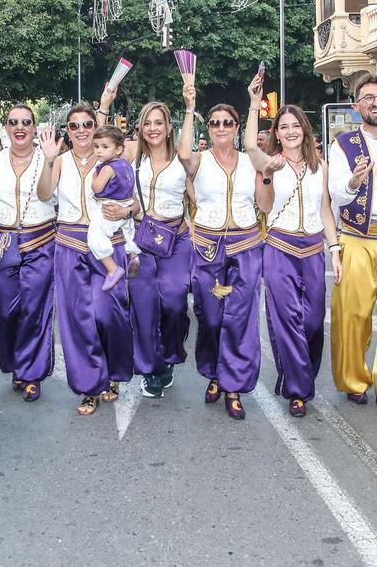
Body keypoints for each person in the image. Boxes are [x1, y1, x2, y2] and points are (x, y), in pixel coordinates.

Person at [244, 78, 341, 417]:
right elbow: (266, 207)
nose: (289, 131)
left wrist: (335, 251)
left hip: (313, 249)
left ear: (304, 129)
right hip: (280, 247)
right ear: (277, 133)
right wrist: (254, 104)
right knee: (287, 320)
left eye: (294, 125)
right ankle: (298, 390)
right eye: (283, 127)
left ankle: (298, 375)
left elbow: (325, 210)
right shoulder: (269, 163)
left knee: (313, 322)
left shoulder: (320, 167)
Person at [99, 89, 192, 399]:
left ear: (168, 126)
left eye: (159, 122)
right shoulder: (130, 155)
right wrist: (104, 106)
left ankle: (171, 351)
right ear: (140, 127)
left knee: (175, 301)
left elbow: (197, 198)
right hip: (139, 240)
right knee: (143, 307)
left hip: (176, 239)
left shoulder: (182, 158)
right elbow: (96, 148)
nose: (153, 128)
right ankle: (152, 368)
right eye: (147, 123)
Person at [179, 81, 262, 420]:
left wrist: (255, 102)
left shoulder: (249, 160)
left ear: (237, 126)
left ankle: (232, 386)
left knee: (239, 320)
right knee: (211, 317)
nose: (221, 127)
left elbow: (263, 193)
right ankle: (213, 371)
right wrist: (189, 107)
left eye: (228, 122)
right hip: (208, 248)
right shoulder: (198, 159)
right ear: (208, 128)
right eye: (215, 123)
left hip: (245, 245)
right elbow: (182, 153)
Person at [327, 73, 377, 413]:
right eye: (369, 97)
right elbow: (335, 195)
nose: (376, 102)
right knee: (353, 314)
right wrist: (354, 181)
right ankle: (354, 380)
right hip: (357, 238)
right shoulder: (342, 144)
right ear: (356, 105)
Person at [45, 104, 134, 415]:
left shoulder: (116, 157)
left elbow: (137, 197)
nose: (81, 130)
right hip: (69, 243)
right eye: (74, 125)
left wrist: (129, 211)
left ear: (97, 126)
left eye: (87, 124)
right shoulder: (60, 161)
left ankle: (114, 370)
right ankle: (91, 386)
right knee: (77, 320)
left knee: (107, 313)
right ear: (67, 131)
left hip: (108, 243)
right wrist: (47, 159)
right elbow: (45, 193)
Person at [0, 103, 57, 401]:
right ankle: (15, 361)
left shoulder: (49, 158)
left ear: (35, 127)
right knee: (8, 309)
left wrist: (51, 161)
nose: (20, 127)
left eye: (26, 121)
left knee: (35, 311)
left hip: (40, 242)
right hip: (2, 245)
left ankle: (31, 373)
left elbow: (50, 193)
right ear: (6, 127)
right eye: (14, 122)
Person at [88, 125, 139, 290]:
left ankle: (112, 268)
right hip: (126, 204)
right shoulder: (126, 165)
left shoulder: (107, 168)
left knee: (95, 237)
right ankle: (133, 255)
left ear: (119, 149)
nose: (99, 151)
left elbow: (96, 188)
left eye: (104, 147)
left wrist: (94, 175)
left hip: (109, 206)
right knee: (128, 232)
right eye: (96, 147)